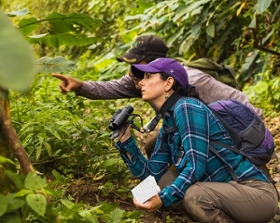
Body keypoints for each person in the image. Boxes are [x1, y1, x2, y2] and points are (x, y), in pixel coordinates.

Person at [114, 58, 278, 223]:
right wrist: (127, 142)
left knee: (195, 197)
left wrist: (163, 198)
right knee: (156, 183)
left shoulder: (187, 107)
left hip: (254, 193)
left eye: (148, 76)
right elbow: (152, 174)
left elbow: (196, 166)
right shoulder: (169, 121)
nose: (141, 82)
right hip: (220, 190)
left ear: (168, 83)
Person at [52, 34, 262, 158]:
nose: (130, 71)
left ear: (154, 63)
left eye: (135, 63)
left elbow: (238, 100)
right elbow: (108, 88)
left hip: (222, 133)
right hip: (186, 131)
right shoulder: (140, 78)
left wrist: (257, 137)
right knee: (154, 146)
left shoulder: (192, 78)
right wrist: (79, 86)